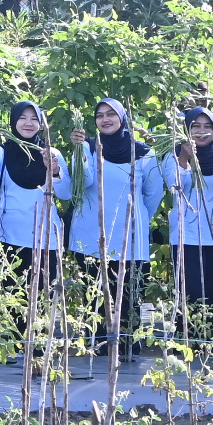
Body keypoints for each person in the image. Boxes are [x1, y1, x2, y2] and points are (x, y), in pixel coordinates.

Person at [67, 98, 164, 334]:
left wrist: (137, 216)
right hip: (90, 235)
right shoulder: (88, 147)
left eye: (111, 114)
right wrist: (78, 151)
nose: (105, 119)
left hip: (129, 236)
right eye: (100, 115)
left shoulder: (143, 153)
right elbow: (83, 181)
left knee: (129, 296)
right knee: (94, 296)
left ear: (122, 117)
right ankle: (97, 345)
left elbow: (153, 193)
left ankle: (128, 343)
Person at [159, 106, 213, 329]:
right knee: (191, 292)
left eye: (208, 126)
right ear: (186, 130)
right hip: (187, 236)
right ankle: (188, 337)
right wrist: (185, 158)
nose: (202, 131)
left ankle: (207, 336)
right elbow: (176, 187)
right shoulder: (174, 155)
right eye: (195, 126)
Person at [0, 102, 71, 290]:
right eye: (22, 118)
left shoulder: (51, 153)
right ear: (13, 121)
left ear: (40, 124)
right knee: (12, 299)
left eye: (34, 119)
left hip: (46, 239)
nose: (28, 123)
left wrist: (55, 170)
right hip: (8, 238)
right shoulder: (0, 152)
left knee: (44, 299)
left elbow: (65, 194)